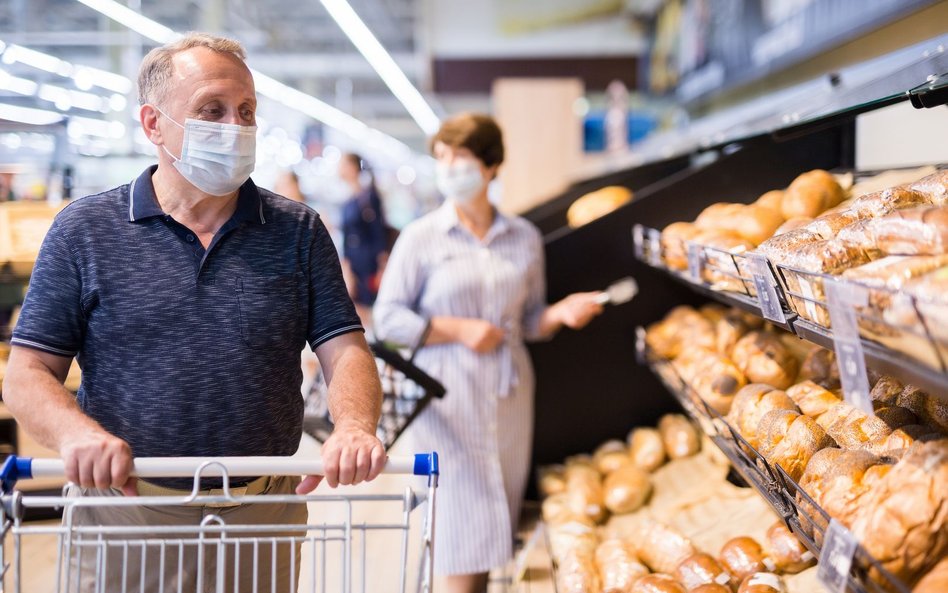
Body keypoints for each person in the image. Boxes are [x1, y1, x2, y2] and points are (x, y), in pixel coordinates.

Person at [1, 32, 385, 591]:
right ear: (154, 124)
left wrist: (354, 426)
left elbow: (345, 349)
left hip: (261, 514)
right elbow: (27, 371)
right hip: (126, 513)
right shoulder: (84, 231)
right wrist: (76, 435)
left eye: (246, 110)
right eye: (213, 110)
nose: (236, 127)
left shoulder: (297, 231)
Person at [373, 112, 604, 593]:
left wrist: (560, 314)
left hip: (509, 396)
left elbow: (527, 321)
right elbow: (389, 319)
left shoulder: (523, 237)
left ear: (492, 164)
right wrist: (456, 329)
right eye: (442, 158)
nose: (450, 168)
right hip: (445, 401)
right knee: (459, 529)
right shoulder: (422, 238)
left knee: (498, 513)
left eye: (461, 156)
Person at [338, 153, 389, 307]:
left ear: (353, 168)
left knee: (373, 305)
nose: (339, 169)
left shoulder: (369, 198)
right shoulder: (348, 201)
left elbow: (378, 232)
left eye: (343, 165)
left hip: (369, 263)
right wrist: (346, 268)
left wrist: (383, 267)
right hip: (354, 264)